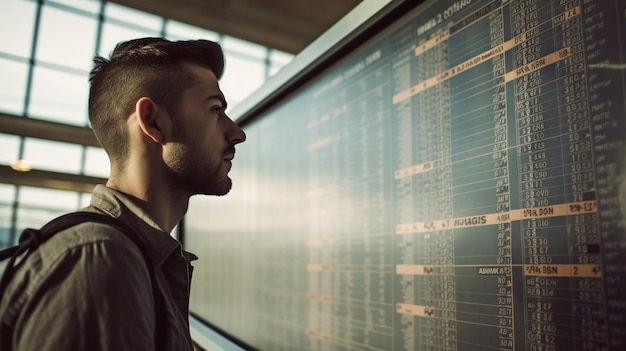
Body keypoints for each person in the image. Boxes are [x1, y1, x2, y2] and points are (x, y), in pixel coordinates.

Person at [0, 37, 246, 350]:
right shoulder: (101, 259)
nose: (237, 133)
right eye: (215, 109)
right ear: (153, 122)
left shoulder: (122, 253)